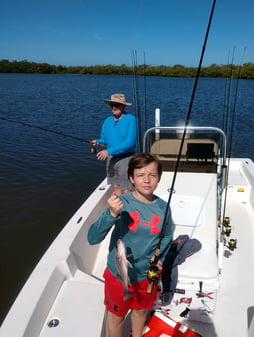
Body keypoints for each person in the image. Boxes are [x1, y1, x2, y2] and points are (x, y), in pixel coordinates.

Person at [87, 153, 173, 337]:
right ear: (131, 178)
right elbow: (92, 238)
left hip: (147, 276)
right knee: (116, 318)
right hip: (118, 276)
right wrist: (111, 213)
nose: (147, 180)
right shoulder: (121, 203)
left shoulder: (164, 207)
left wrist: (160, 258)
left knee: (141, 311)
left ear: (159, 177)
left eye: (152, 175)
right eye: (140, 175)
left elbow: (166, 236)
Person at [91, 93, 137, 195]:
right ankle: (119, 209)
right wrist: (98, 142)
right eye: (112, 105)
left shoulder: (131, 119)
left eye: (117, 104)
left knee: (126, 188)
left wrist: (108, 151)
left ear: (123, 106)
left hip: (126, 158)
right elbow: (104, 139)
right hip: (111, 158)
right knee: (115, 185)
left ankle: (127, 209)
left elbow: (130, 143)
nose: (114, 107)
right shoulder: (107, 121)